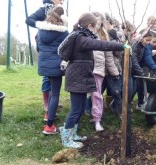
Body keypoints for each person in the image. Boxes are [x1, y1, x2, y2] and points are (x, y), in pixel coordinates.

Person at [57, 12, 130, 149]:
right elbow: (100, 44)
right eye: (94, 26)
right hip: (77, 77)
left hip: (80, 76)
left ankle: (73, 134)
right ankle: (66, 139)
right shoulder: (81, 38)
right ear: (89, 25)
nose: (96, 29)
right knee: (75, 110)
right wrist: (120, 46)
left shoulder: (81, 35)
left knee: (78, 110)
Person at [25, 0, 64, 121]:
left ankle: (52, 103)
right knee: (48, 76)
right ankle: (47, 105)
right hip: (46, 43)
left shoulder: (59, 9)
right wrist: (43, 26)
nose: (62, 1)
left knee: (50, 76)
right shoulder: (45, 9)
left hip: (52, 43)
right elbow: (29, 20)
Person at [35, 5, 68, 135]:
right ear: (62, 18)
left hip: (44, 64)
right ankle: (49, 126)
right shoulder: (64, 32)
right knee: (55, 94)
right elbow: (67, 49)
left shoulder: (40, 31)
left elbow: (38, 48)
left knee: (50, 91)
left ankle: (48, 114)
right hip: (56, 66)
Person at [90, 11, 121, 131]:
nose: (96, 24)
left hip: (98, 69)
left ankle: (97, 120)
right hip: (85, 68)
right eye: (94, 21)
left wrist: (113, 71)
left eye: (98, 21)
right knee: (84, 95)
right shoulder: (84, 33)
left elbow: (108, 56)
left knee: (97, 95)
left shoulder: (104, 36)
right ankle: (83, 115)